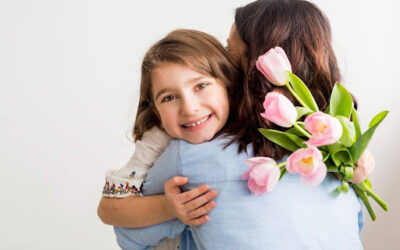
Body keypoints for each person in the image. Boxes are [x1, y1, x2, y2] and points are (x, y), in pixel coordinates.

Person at [98, 0, 374, 249]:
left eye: (231, 50)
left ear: (254, 65)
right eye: (169, 97)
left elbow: (128, 236)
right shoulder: (330, 152)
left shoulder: (190, 155)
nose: (189, 107)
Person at [98, 28, 240, 248]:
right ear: (156, 112)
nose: (190, 108)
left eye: (201, 86)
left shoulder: (252, 128)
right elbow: (108, 209)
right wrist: (169, 207)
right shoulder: (158, 140)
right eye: (170, 97)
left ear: (228, 85)